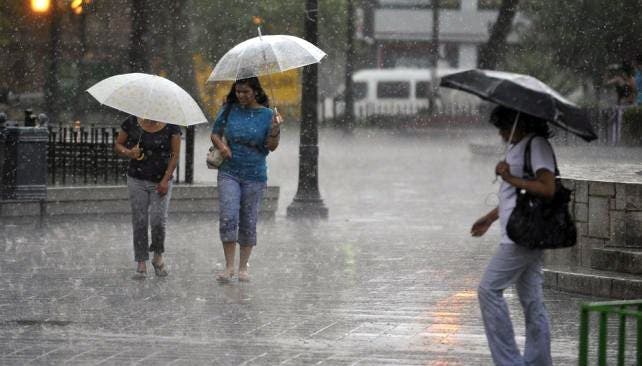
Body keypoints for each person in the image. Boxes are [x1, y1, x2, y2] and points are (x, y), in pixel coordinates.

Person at [471, 106, 556, 366]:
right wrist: (490, 217)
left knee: (488, 290)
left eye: (503, 128)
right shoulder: (518, 147)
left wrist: (510, 177)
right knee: (532, 301)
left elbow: (547, 187)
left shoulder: (537, 145)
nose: (501, 134)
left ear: (519, 124)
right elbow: (515, 198)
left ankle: (509, 362)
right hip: (522, 232)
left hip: (523, 236)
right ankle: (539, 362)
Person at [210, 77, 281, 283]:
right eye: (238, 91)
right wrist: (223, 147)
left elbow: (271, 146)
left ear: (256, 92)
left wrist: (275, 130)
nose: (241, 96)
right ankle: (229, 266)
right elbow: (215, 134)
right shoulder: (230, 109)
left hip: (255, 174)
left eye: (246, 92)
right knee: (228, 216)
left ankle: (243, 267)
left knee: (248, 219)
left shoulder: (268, 115)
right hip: (229, 171)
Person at [114, 116, 181, 277]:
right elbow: (117, 145)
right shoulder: (131, 122)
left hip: (160, 180)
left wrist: (166, 179)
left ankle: (158, 255)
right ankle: (141, 261)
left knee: (158, 220)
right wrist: (129, 152)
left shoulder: (172, 126)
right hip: (136, 179)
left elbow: (175, 155)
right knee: (139, 220)